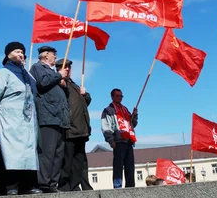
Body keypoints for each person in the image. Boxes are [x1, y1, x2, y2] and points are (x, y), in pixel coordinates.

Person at [0, 42, 42, 195]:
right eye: (17, 51)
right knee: (11, 152)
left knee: (28, 153)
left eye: (22, 52)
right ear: (8, 54)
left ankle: (28, 185)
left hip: (28, 120)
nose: (21, 54)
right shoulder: (3, 73)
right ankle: (11, 186)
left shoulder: (27, 75)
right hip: (10, 119)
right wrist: (0, 113)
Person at [29, 47, 70, 193]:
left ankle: (53, 184)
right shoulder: (37, 67)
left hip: (59, 118)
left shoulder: (53, 72)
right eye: (54, 54)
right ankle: (43, 184)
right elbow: (42, 83)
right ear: (46, 55)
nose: (55, 57)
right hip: (47, 117)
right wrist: (59, 75)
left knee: (58, 154)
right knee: (47, 152)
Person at [55, 59, 92, 192]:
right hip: (69, 128)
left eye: (69, 67)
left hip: (81, 128)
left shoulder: (74, 85)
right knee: (67, 160)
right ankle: (65, 186)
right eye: (65, 68)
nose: (68, 69)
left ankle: (78, 185)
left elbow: (84, 103)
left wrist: (85, 94)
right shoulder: (60, 83)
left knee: (80, 160)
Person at [101, 88, 138, 188]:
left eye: (121, 96)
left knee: (130, 166)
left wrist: (135, 115)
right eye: (117, 96)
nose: (119, 98)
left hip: (128, 140)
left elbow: (132, 123)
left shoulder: (125, 109)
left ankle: (130, 187)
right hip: (118, 141)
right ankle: (118, 187)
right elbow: (106, 127)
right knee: (118, 166)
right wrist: (111, 140)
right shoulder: (108, 110)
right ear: (112, 97)